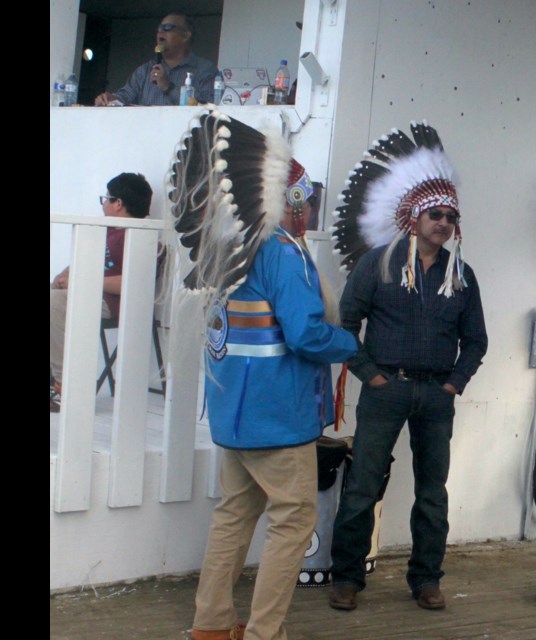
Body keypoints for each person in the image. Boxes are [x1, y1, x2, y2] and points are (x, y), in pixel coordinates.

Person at [167, 111, 358, 640]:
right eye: (308, 200)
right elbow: (305, 335)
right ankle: (264, 632)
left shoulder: (230, 252)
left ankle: (210, 625)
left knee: (233, 517)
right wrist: (352, 344)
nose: (310, 211)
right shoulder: (282, 253)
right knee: (293, 524)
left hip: (236, 416)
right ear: (292, 203)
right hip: (279, 418)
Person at [327, 122, 488, 612]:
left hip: (435, 399)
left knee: (432, 493)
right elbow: (342, 326)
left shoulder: (462, 275)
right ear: (415, 216)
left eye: (450, 216)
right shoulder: (377, 264)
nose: (442, 221)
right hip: (385, 390)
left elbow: (476, 342)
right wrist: (370, 374)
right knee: (362, 486)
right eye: (434, 213)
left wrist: (453, 384)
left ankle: (426, 581)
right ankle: (347, 579)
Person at [50, 172, 154, 412]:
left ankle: (66, 383)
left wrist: (81, 280)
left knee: (54, 303)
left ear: (118, 203)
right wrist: (64, 276)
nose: (104, 204)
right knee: (54, 296)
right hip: (88, 292)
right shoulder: (106, 231)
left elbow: (132, 282)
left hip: (112, 302)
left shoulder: (140, 236)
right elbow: (82, 262)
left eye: (106, 198)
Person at [94, 12, 217, 106]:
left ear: (185, 35)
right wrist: (110, 99)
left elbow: (208, 106)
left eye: (168, 27)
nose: (160, 32)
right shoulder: (144, 70)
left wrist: (168, 87)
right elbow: (125, 96)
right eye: (159, 28)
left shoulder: (205, 69)